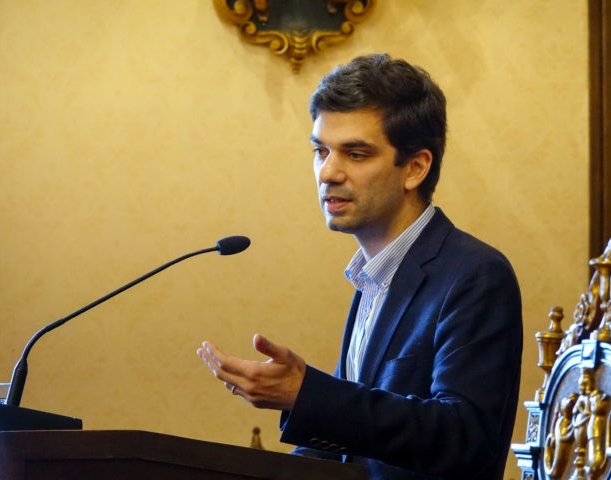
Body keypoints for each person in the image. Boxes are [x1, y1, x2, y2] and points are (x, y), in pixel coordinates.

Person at [197, 53, 523, 480]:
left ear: (415, 168)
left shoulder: (475, 275)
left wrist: (306, 395)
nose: (327, 173)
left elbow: (464, 438)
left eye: (355, 153)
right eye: (320, 151)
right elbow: (351, 448)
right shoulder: (373, 276)